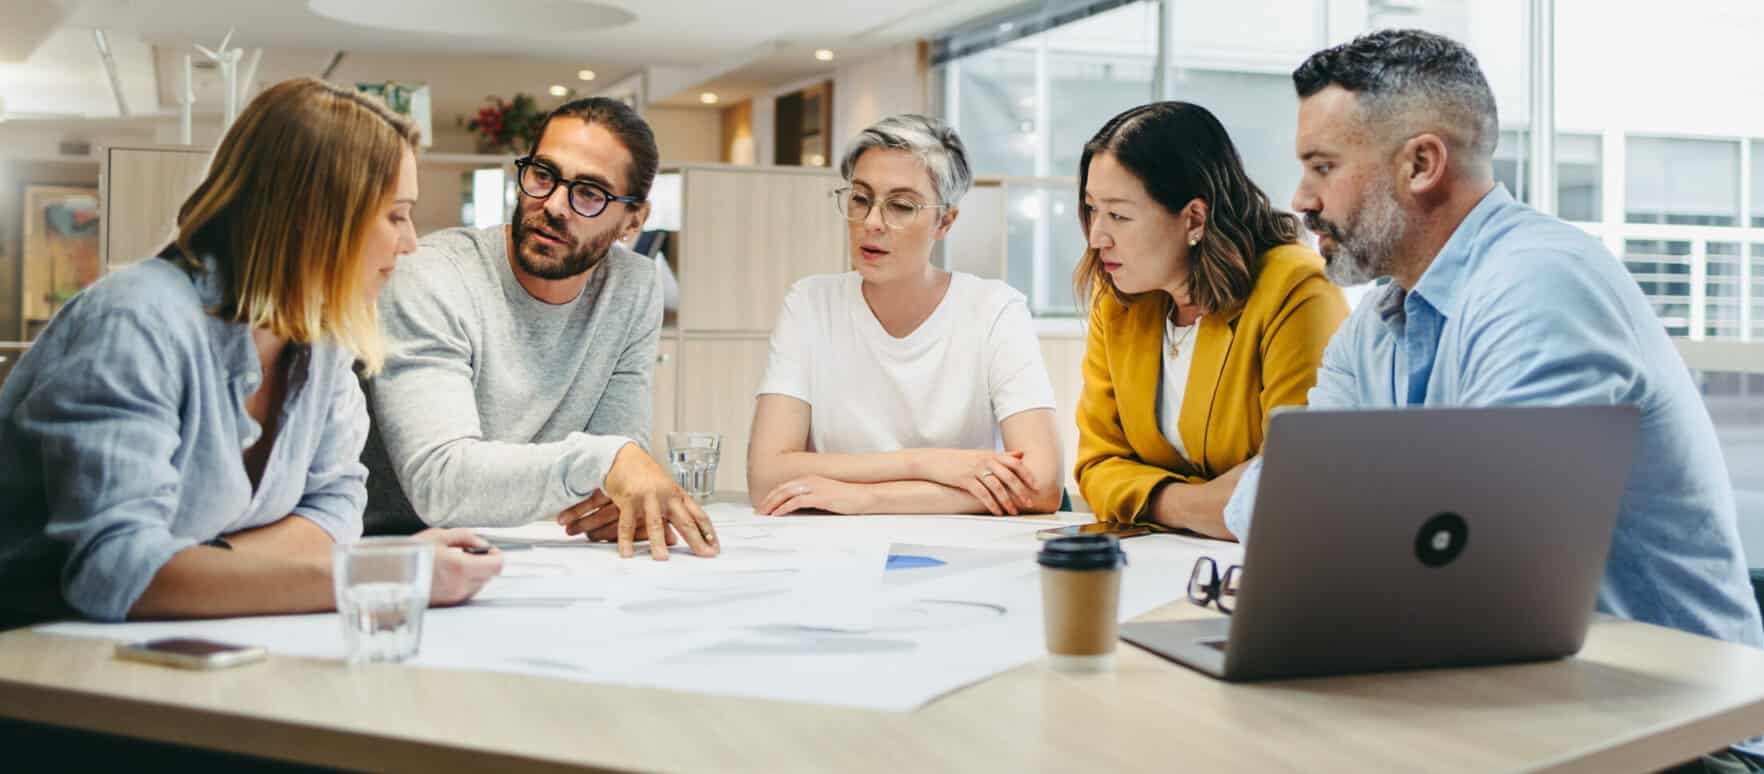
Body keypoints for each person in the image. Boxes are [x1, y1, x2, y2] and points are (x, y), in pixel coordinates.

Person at [1223, 29, 1764, 769]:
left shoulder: (1540, 284)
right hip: (1519, 702)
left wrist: (1345, 510)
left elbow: (1476, 571)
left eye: (1323, 166)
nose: (1301, 199)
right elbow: (1278, 509)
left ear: (1421, 163)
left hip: (1679, 738)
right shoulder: (1375, 325)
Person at [0, 77, 502, 625]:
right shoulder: (135, 321)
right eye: (395, 215)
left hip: (170, 644)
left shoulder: (322, 341)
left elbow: (336, 508)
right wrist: (385, 572)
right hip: (35, 662)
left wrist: (195, 569)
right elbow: (114, 571)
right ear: (315, 217)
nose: (409, 243)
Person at [362, 97, 717, 561]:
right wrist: (605, 463)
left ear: (634, 219)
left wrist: (614, 481)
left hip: (531, 557)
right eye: (543, 175)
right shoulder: (432, 275)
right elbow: (440, 483)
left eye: (590, 193)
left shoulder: (634, 287)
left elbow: (614, 474)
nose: (552, 205)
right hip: (395, 555)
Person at [747, 114, 1063, 516]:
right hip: (832, 548)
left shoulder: (995, 311)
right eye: (860, 199)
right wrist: (928, 463)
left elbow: (1043, 484)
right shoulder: (810, 304)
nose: (872, 223)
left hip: (962, 552)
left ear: (945, 221)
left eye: (900, 206)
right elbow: (766, 475)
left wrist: (869, 499)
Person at [1071, 102, 1347, 536]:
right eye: (1091, 209)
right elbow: (1096, 464)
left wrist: (1142, 493)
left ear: (1194, 218)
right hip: (1160, 562)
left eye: (1119, 215)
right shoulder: (1121, 299)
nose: (1096, 237)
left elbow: (1292, 484)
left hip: (1265, 568)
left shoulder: (1296, 289)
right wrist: (1192, 504)